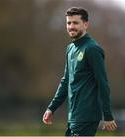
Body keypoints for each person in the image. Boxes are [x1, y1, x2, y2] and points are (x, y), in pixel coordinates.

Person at [42, 7, 117, 136]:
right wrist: (51, 108)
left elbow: (103, 83)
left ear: (86, 24)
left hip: (87, 117)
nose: (71, 26)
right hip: (73, 116)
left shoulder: (92, 49)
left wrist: (108, 115)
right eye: (68, 23)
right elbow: (65, 82)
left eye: (75, 23)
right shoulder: (70, 49)